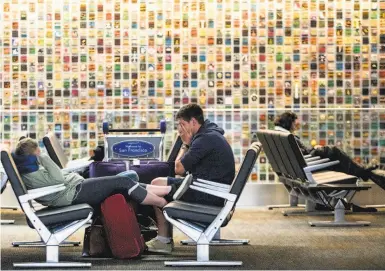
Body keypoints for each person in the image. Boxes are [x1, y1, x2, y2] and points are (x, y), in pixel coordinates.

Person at [146, 103, 235, 253]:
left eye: (182, 124)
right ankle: (164, 237)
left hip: (207, 193)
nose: (180, 129)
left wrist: (185, 144)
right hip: (203, 186)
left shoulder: (204, 139)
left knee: (153, 192)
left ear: (193, 122)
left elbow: (178, 169)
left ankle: (163, 240)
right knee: (156, 182)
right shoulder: (209, 133)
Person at [12, 137, 182, 210]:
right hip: (74, 193)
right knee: (123, 182)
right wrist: (42, 157)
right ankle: (162, 203)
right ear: (32, 154)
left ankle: (169, 190)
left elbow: (57, 177)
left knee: (126, 179)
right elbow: (56, 178)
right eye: (37, 151)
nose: (40, 152)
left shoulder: (31, 170)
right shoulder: (32, 175)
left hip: (75, 188)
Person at [274, 112, 385, 211]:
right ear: (288, 123)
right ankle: (362, 172)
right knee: (334, 152)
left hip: (302, 168)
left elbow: (300, 154)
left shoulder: (279, 136)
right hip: (309, 165)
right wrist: (316, 149)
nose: (295, 126)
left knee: (338, 160)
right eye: (294, 123)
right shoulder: (289, 137)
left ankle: (361, 172)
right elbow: (304, 154)